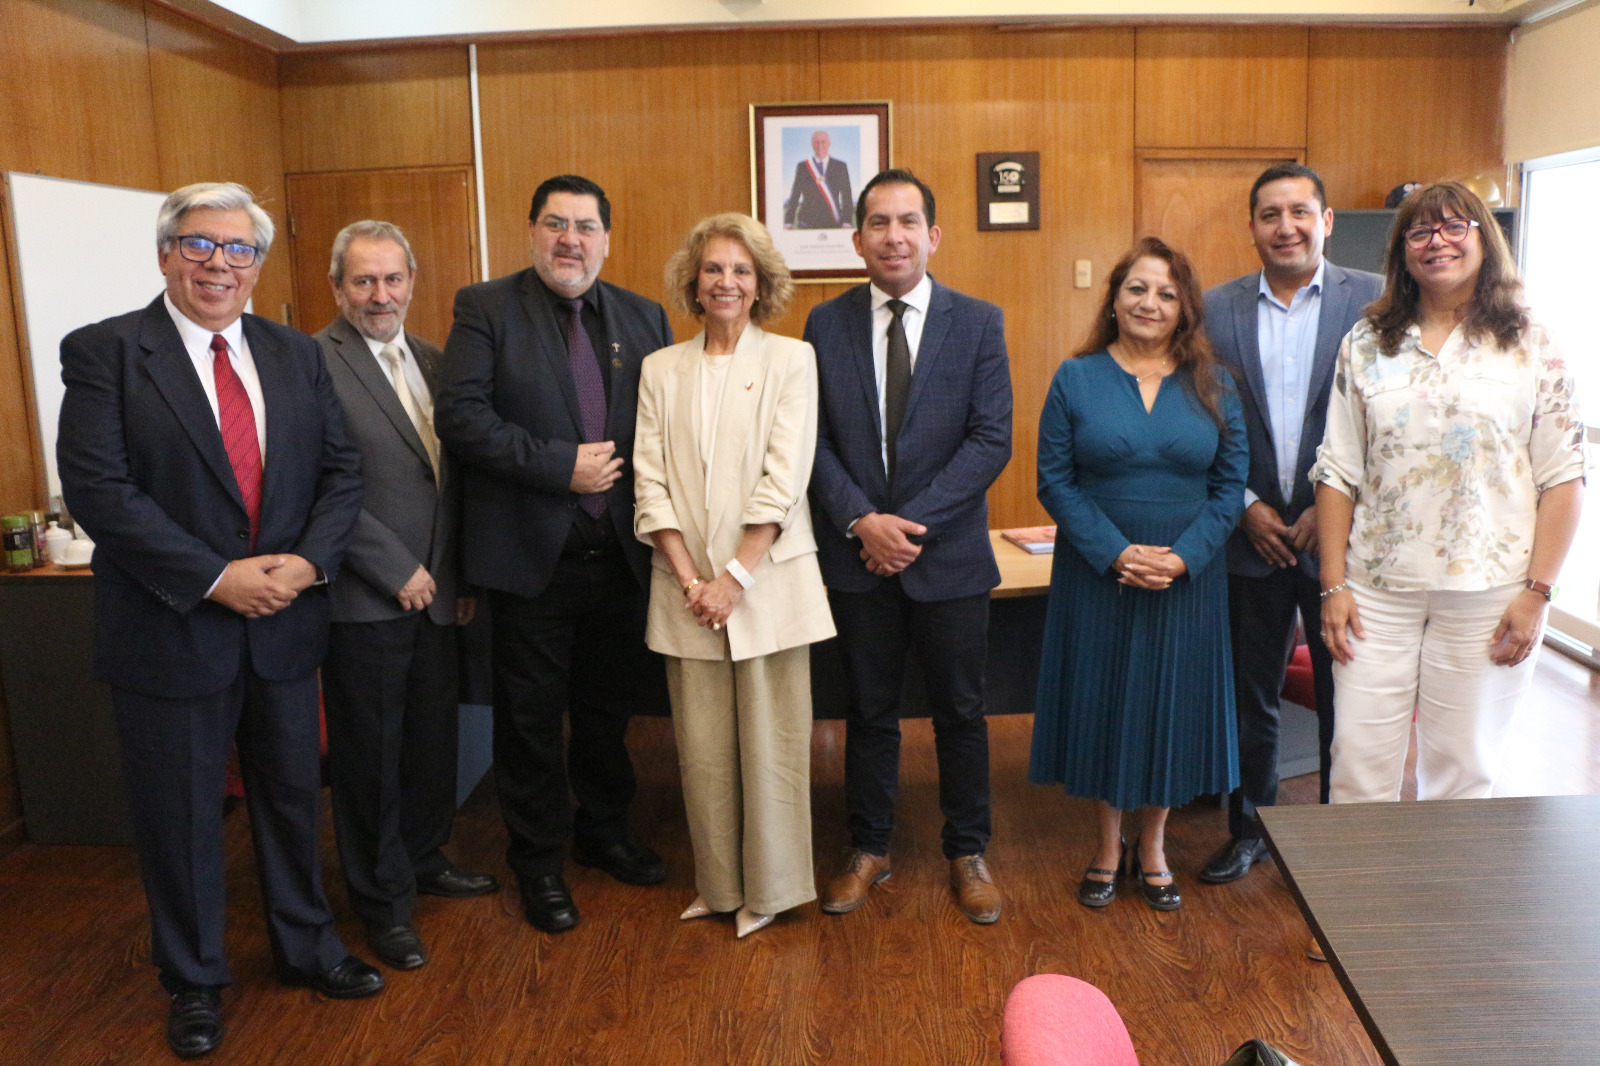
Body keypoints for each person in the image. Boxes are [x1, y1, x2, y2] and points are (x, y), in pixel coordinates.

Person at [56, 182, 379, 1060]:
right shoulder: (106, 352)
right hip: (170, 630)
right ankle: (194, 979)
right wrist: (214, 579)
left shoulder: (294, 354)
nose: (218, 263)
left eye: (238, 249)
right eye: (199, 244)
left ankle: (308, 948)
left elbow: (341, 473)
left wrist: (308, 564)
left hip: (284, 623)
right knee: (182, 818)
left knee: (289, 801)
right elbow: (100, 492)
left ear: (258, 264)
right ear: (166, 254)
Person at [434, 175, 673, 935]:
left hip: (622, 560)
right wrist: (557, 465)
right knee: (530, 722)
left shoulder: (643, 316)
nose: (571, 240)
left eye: (586, 226)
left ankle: (604, 833)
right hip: (531, 559)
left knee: (606, 714)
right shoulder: (485, 308)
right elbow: (460, 417)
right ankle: (537, 862)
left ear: (607, 238)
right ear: (533, 231)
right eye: (556, 224)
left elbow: (666, 426)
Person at [1312, 181, 1584, 804]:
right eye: (1420, 231)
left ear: (1484, 240)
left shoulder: (1530, 340)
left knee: (1463, 773)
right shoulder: (1366, 341)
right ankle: (1359, 876)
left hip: (1490, 593)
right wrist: (1332, 585)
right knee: (1356, 762)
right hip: (1375, 590)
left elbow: (1564, 476)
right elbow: (1337, 471)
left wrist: (1538, 593)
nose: (1437, 241)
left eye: (1455, 226)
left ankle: (1447, 876)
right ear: (1402, 252)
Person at [806, 169, 1012, 924]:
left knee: (961, 711)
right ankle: (869, 847)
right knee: (868, 711)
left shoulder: (978, 322)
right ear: (857, 239)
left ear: (933, 235)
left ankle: (968, 850)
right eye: (878, 223)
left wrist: (905, 527)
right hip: (858, 559)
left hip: (948, 559)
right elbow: (811, 442)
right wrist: (863, 520)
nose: (893, 236)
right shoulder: (824, 325)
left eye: (907, 222)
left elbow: (991, 439)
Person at [1030, 236, 1247, 913]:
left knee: (1169, 710)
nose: (1150, 302)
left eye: (1166, 293)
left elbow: (1230, 487)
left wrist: (1183, 558)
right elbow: (1054, 481)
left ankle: (1152, 847)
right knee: (1103, 704)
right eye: (1137, 288)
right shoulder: (1076, 378)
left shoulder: (1215, 384)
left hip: (1188, 579)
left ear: (1184, 308)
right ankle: (1105, 845)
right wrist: (1116, 552)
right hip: (1098, 573)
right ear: (1115, 299)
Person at [633, 213, 835, 938]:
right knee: (704, 751)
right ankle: (719, 887)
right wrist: (694, 582)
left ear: (760, 285)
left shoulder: (791, 360)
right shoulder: (660, 368)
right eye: (714, 269)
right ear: (694, 283)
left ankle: (773, 891)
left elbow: (785, 479)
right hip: (686, 593)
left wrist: (733, 580)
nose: (726, 281)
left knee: (773, 748)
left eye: (741, 271)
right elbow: (650, 482)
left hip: (766, 584)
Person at [314, 220, 498, 974]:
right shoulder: (312, 364)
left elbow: (453, 482)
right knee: (371, 759)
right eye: (363, 280)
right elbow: (320, 486)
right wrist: (393, 567)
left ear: (413, 282)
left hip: (439, 596)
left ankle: (424, 857)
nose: (380, 295)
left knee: (430, 744)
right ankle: (382, 902)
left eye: (392, 279)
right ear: (338, 287)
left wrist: (455, 580)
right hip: (367, 601)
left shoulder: (434, 360)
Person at [1198, 164, 1384, 886]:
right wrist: (1245, 504)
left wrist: (1326, 506)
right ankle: (1250, 829)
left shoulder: (1374, 299)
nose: (1286, 227)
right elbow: (1202, 418)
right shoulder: (1215, 309)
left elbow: (1389, 423)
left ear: (1326, 221)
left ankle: (1336, 840)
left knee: (1348, 697)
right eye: (1270, 214)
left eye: (1300, 212)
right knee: (1250, 695)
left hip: (1342, 538)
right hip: (1251, 537)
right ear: (1252, 226)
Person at [785, 130, 854, 230]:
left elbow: (846, 196)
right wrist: (788, 222)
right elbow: (795, 195)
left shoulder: (840, 166)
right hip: (807, 222)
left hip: (833, 221)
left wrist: (847, 221)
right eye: (816, 142)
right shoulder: (803, 166)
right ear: (812, 145)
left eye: (823, 142)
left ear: (829, 144)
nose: (820, 145)